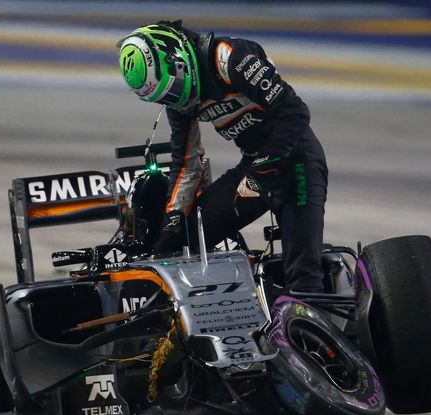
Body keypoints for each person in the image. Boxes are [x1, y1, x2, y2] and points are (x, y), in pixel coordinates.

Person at [117, 21, 328, 293]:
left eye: (172, 89)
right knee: (188, 238)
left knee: (303, 276)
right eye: (164, 98)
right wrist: (171, 228)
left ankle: (304, 327)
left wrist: (260, 174)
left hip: (299, 162)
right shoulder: (178, 102)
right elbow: (186, 165)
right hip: (252, 167)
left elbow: (295, 112)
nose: (176, 100)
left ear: (179, 60)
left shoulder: (231, 58)